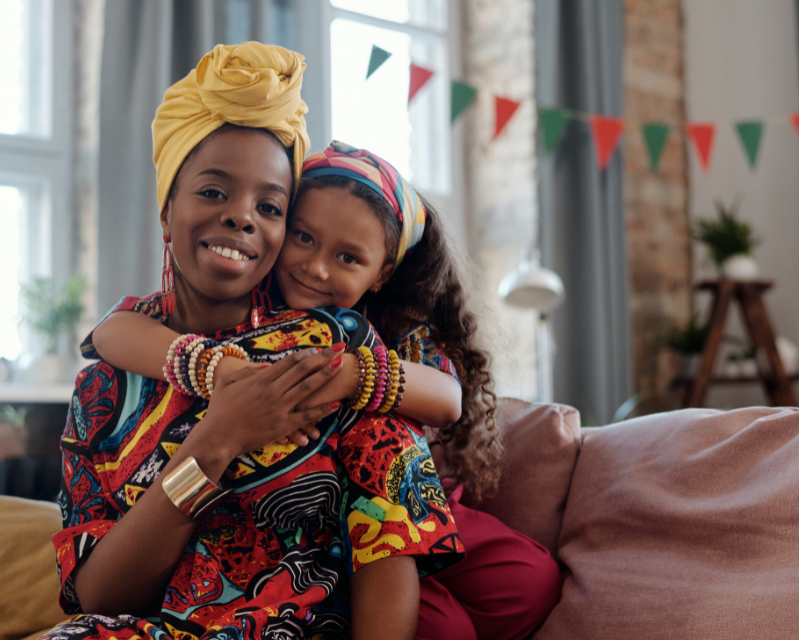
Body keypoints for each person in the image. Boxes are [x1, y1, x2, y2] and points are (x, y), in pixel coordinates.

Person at [41, 43, 463, 640]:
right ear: (167, 211)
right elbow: (98, 596)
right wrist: (216, 440)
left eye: (269, 205)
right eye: (213, 192)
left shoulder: (324, 351)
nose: (241, 217)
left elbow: (395, 498)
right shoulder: (103, 389)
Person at [89, 141, 562, 640]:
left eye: (347, 257)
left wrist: (353, 375)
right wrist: (215, 368)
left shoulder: (393, 328)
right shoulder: (249, 306)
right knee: (442, 628)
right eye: (303, 238)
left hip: (413, 504)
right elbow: (109, 331)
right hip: (313, 524)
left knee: (529, 581)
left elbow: (447, 399)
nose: (316, 268)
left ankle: (410, 577)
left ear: (382, 273)